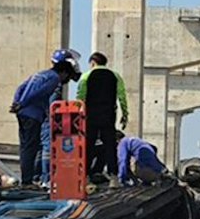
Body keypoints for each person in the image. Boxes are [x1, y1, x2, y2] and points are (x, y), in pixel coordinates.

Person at [11, 52, 78, 185]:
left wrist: (17, 103)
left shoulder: (40, 74)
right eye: (68, 77)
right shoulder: (54, 79)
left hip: (23, 113)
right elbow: (39, 92)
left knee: (25, 147)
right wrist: (22, 103)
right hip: (33, 114)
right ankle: (27, 181)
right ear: (64, 72)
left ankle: (26, 179)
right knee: (32, 148)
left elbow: (21, 88)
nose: (66, 81)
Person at [78, 51, 129, 184]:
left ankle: (85, 177)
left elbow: (80, 96)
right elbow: (122, 96)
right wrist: (125, 114)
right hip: (108, 115)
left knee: (88, 145)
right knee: (110, 145)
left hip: (91, 115)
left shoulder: (86, 76)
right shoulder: (115, 76)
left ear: (93, 63)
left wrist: (79, 115)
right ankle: (114, 177)